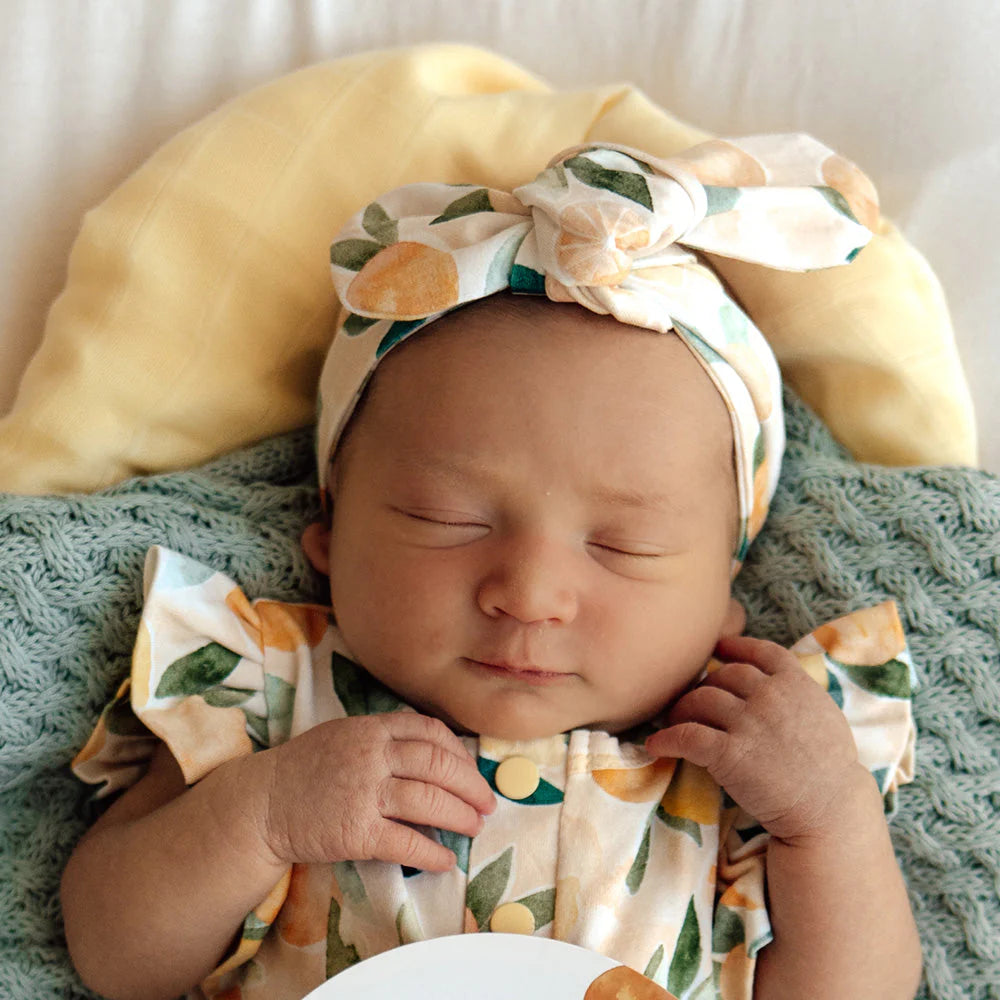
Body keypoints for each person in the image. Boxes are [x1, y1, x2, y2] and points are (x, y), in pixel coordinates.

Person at [61, 136, 922, 1000]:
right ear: (327, 535)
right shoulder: (276, 704)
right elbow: (116, 957)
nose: (529, 594)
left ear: (724, 599)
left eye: (625, 545)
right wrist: (262, 819)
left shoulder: (740, 773)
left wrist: (828, 821)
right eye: (450, 519)